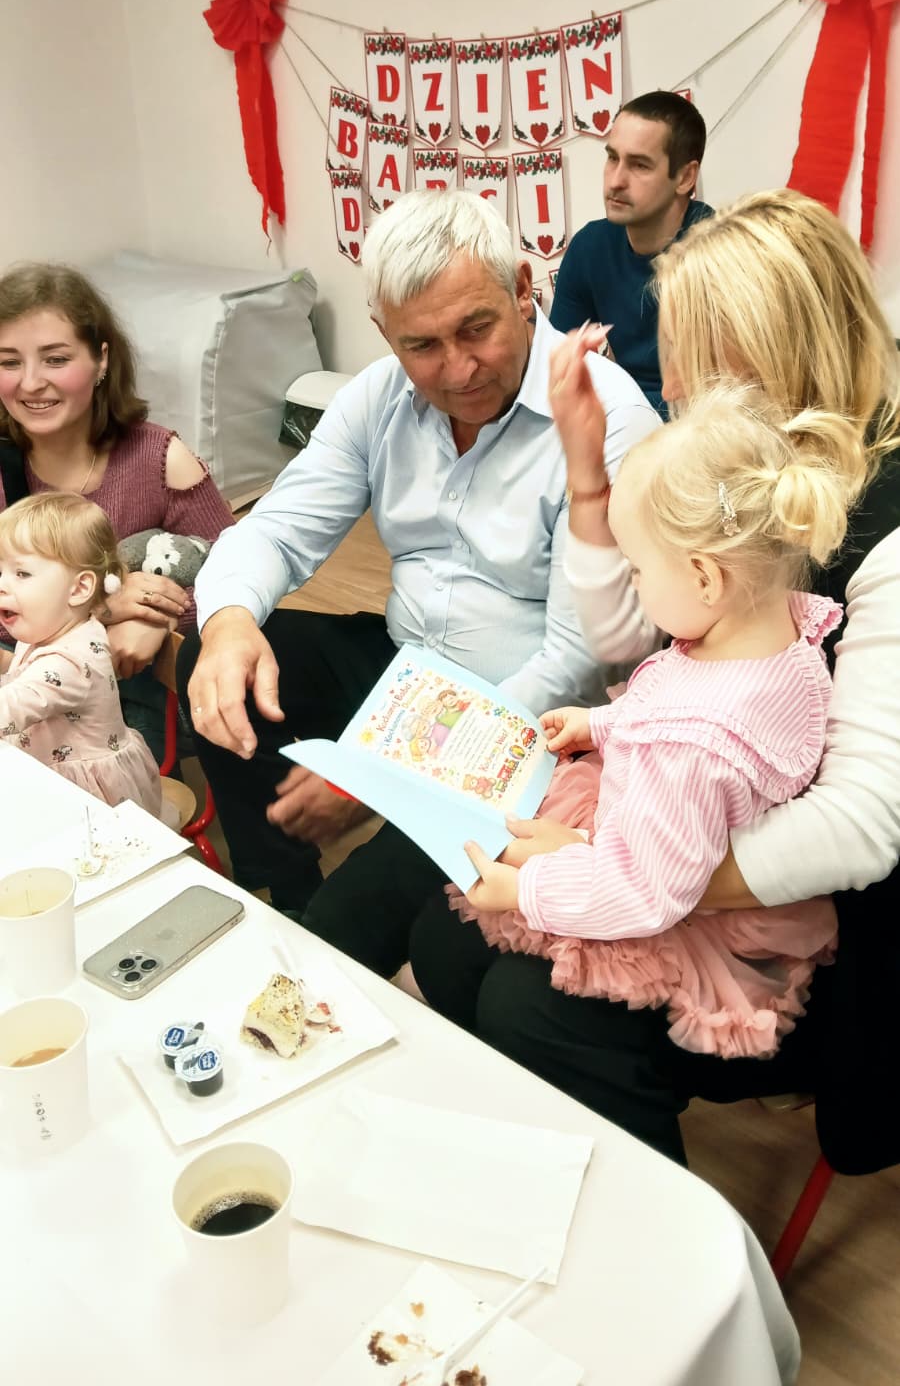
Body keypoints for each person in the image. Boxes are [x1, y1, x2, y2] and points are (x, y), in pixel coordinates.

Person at [408, 189, 900, 1168]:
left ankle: (663, 1234)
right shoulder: (744, 471)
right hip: (686, 842)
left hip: (802, 924)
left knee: (531, 1005)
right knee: (447, 935)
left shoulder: (881, 533)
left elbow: (860, 824)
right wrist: (588, 473)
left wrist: (620, 869)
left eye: (695, 362)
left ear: (783, 357)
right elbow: (638, 647)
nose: (669, 385)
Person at [180, 189, 660, 952]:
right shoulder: (378, 396)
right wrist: (230, 622)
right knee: (215, 657)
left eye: (477, 329)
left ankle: (329, 915)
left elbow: (579, 662)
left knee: (346, 938)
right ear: (384, 333)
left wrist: (383, 777)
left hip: (532, 723)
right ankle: (287, 888)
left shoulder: (607, 417)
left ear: (524, 289)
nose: (459, 369)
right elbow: (275, 530)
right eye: (422, 345)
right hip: (408, 672)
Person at [427, 385, 859, 1078]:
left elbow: (642, 891)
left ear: (704, 577)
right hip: (677, 839)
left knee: (473, 925)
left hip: (656, 894)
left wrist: (527, 891)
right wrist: (602, 722)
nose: (632, 585)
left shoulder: (689, 749)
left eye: (636, 569)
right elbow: (675, 696)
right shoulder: (775, 641)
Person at [0, 263, 235, 760]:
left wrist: (157, 619)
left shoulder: (161, 459)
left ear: (101, 360)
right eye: (9, 362)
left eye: (56, 359)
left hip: (123, 720)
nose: (31, 383)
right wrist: (102, 610)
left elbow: (238, 578)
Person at [549, 91, 711, 413]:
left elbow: (730, 395)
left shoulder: (720, 253)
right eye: (612, 158)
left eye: (639, 165)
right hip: (624, 418)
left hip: (700, 427)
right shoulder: (589, 248)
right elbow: (557, 372)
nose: (616, 181)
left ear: (685, 177)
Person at [0, 491, 161, 816]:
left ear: (79, 589)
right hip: (49, 773)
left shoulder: (70, 663)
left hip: (90, 805)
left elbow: (10, 706)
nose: (2, 585)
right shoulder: (50, 628)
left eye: (22, 574)